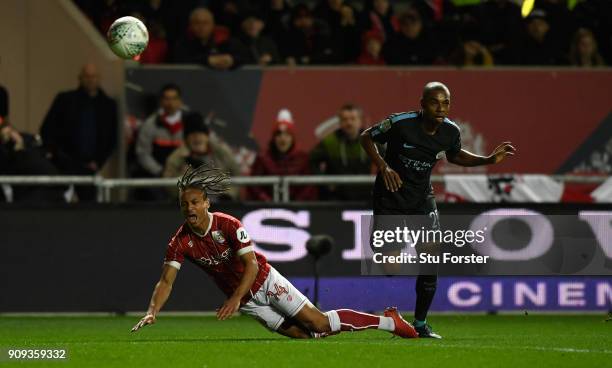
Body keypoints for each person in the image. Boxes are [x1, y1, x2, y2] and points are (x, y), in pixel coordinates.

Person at [131, 164, 418, 340]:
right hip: (247, 302)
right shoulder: (180, 241)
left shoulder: (229, 225)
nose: (189, 208)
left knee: (317, 322)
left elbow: (252, 266)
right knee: (302, 336)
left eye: (195, 202)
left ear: (206, 202)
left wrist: (233, 298)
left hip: (265, 281)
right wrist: (152, 310)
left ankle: (387, 321)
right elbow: (166, 281)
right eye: (185, 204)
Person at [359, 82, 516, 338]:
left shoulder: (450, 131)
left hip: (422, 199)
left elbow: (454, 155)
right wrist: (383, 166)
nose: (441, 108)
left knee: (431, 260)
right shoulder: (400, 124)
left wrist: (486, 160)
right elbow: (366, 136)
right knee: (391, 267)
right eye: (435, 102)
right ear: (422, 104)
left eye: (446, 103)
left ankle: (420, 324)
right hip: (390, 197)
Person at [40, 63, 117, 201]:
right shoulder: (65, 100)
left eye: (93, 76)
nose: (90, 80)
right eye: (87, 76)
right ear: (80, 78)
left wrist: (99, 162)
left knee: (89, 206)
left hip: (91, 167)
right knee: (59, 202)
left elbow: (111, 138)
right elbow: (47, 129)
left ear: (99, 78)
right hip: (64, 165)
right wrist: (57, 156)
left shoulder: (108, 106)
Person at [163, 112, 240, 199]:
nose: (197, 138)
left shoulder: (221, 152)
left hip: (221, 204)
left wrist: (228, 195)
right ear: (186, 139)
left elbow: (237, 175)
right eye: (192, 134)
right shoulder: (177, 157)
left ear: (207, 136)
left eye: (200, 133)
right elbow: (168, 183)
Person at [248, 109, 317, 201]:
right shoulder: (263, 158)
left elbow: (309, 187)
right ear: (274, 138)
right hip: (266, 210)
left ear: (292, 138)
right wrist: (267, 201)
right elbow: (254, 186)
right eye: (279, 134)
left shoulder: (302, 158)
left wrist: (295, 204)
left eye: (287, 135)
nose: (283, 139)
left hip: (297, 210)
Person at [310, 103, 371, 201]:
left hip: (365, 199)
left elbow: (387, 160)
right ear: (340, 122)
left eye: (353, 119)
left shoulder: (370, 141)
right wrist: (326, 183)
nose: (349, 123)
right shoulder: (330, 142)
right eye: (345, 119)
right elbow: (311, 162)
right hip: (336, 199)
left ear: (360, 121)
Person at [172, 7, 236, 70]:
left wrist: (231, 60)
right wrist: (208, 60)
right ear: (191, 25)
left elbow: (243, 56)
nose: (201, 27)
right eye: (197, 23)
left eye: (205, 23)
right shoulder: (183, 42)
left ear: (213, 25)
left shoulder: (224, 40)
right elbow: (180, 60)